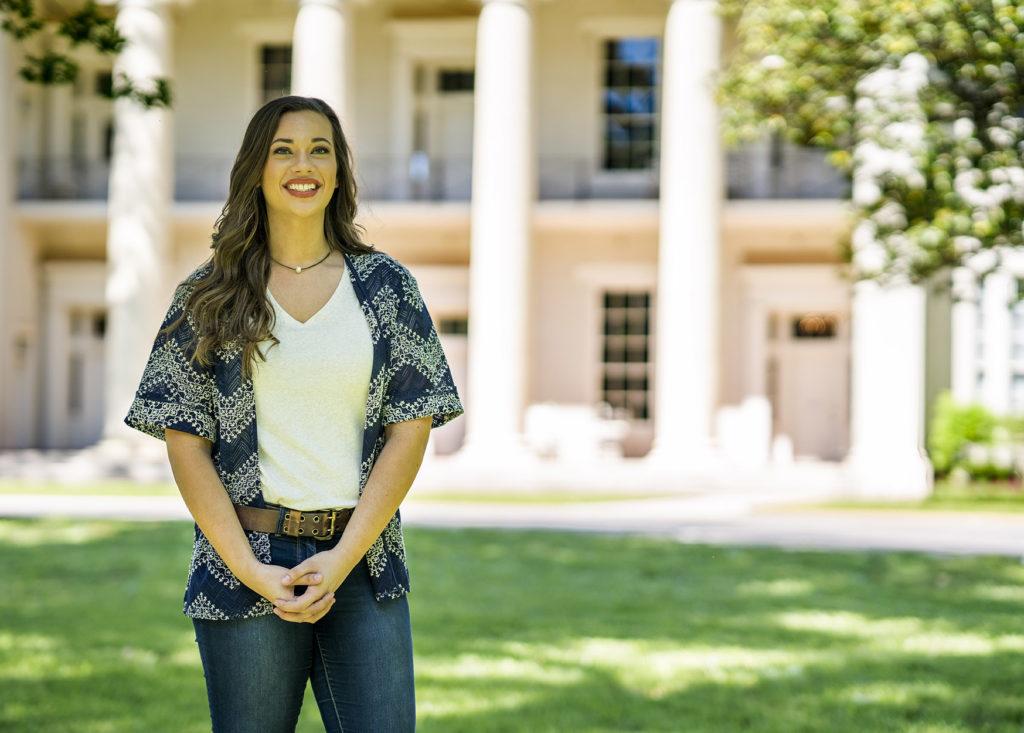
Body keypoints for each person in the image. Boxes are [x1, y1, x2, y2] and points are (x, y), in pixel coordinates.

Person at [123, 95, 465, 732]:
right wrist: (251, 569)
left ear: (338, 173)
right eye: (283, 150)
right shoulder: (208, 294)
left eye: (319, 150)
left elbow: (411, 428)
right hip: (245, 562)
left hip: (363, 561)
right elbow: (184, 442)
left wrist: (341, 558)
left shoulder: (387, 287)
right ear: (257, 168)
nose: (301, 164)